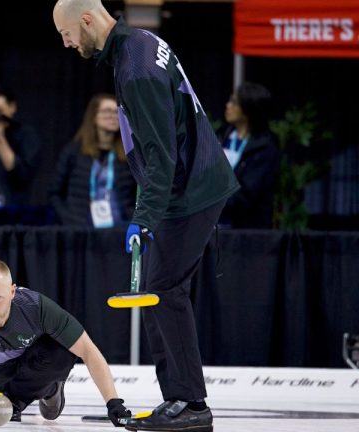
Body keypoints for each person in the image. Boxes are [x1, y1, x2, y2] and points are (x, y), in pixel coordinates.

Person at [53, 1, 239, 431]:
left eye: (65, 32)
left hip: (190, 190)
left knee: (163, 290)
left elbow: (161, 154)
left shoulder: (135, 66)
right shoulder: (138, 44)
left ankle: (189, 405)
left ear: (85, 20)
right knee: (164, 290)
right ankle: (180, 400)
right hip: (193, 184)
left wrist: (144, 216)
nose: (64, 42)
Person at [0, 259, 131, 426]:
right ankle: (12, 394)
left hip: (32, 365)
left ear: (12, 291)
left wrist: (113, 402)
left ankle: (43, 391)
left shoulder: (35, 307)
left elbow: (88, 350)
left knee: (64, 350)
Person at [49, 93, 136, 227]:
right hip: (81, 231)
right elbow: (55, 193)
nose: (112, 116)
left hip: (119, 230)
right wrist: (69, 220)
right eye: (106, 111)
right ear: (93, 117)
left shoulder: (130, 154)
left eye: (116, 112)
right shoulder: (73, 151)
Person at [219, 82, 280, 228]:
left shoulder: (265, 147)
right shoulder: (222, 137)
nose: (228, 106)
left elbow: (247, 193)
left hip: (246, 229)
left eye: (234, 102)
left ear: (248, 109)